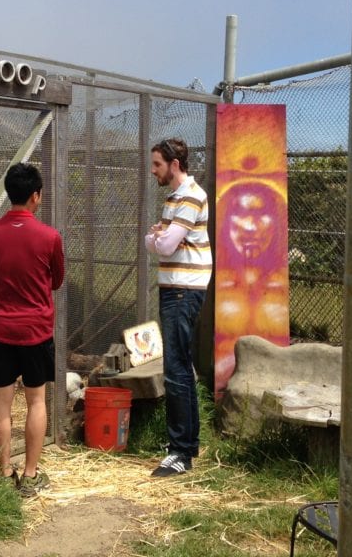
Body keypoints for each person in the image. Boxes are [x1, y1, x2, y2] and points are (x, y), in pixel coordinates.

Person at [0, 162, 65, 496]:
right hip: (36, 331)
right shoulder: (50, 237)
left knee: (2, 403)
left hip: (0, 330)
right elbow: (55, 280)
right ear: (35, 196)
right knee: (36, 401)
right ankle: (30, 476)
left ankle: (3, 472)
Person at [144, 138, 212, 476]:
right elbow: (155, 242)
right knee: (180, 365)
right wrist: (159, 238)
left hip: (184, 289)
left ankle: (180, 451)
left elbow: (165, 244)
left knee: (176, 368)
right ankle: (186, 444)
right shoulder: (174, 197)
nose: (152, 170)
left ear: (174, 164)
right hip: (175, 287)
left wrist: (159, 237)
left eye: (157, 164)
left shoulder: (190, 195)